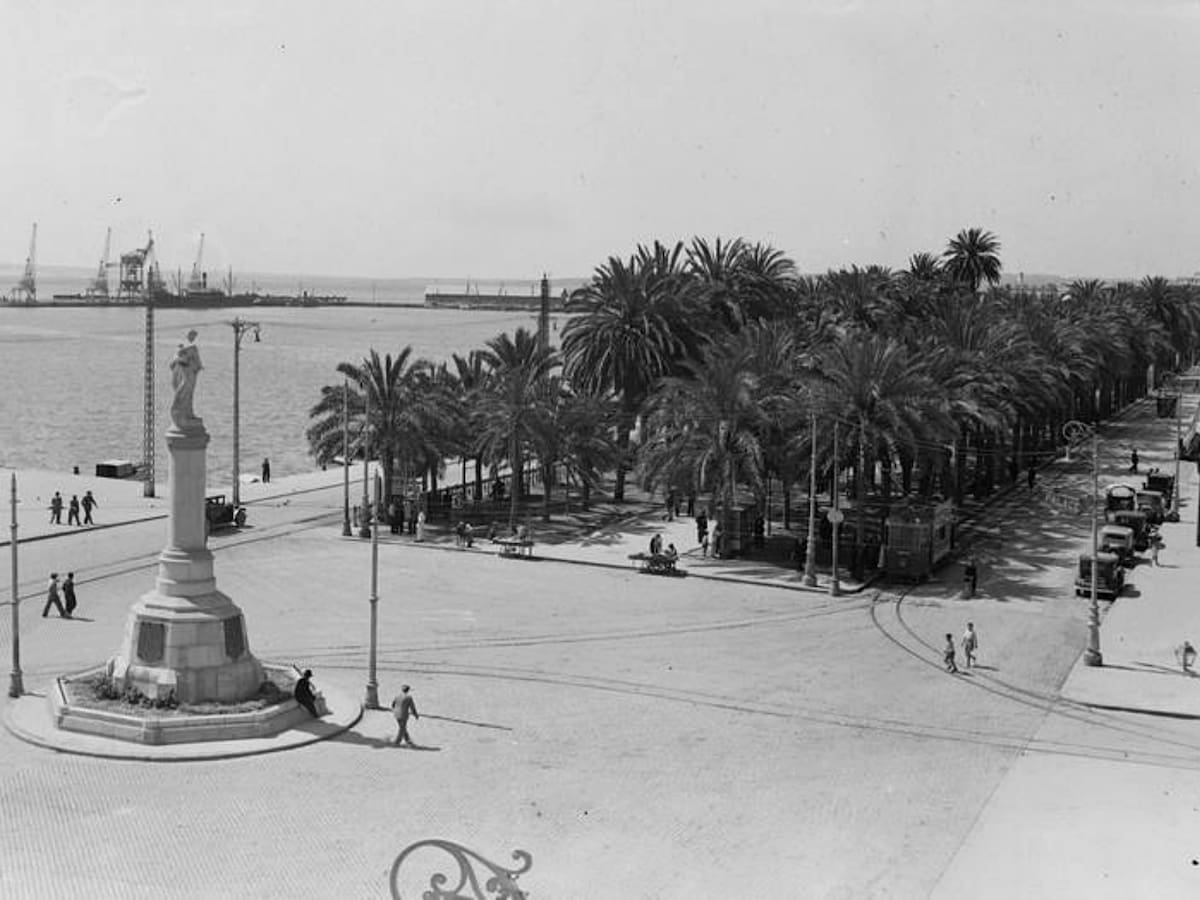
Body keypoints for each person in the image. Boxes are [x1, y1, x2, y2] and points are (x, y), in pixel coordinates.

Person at [169, 330, 203, 429]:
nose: (193, 338)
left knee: (189, 395)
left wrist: (197, 365)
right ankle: (180, 413)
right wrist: (185, 358)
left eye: (194, 336)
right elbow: (177, 358)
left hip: (190, 373)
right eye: (192, 335)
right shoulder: (183, 345)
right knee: (183, 393)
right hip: (184, 373)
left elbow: (195, 360)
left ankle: (188, 413)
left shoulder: (192, 347)